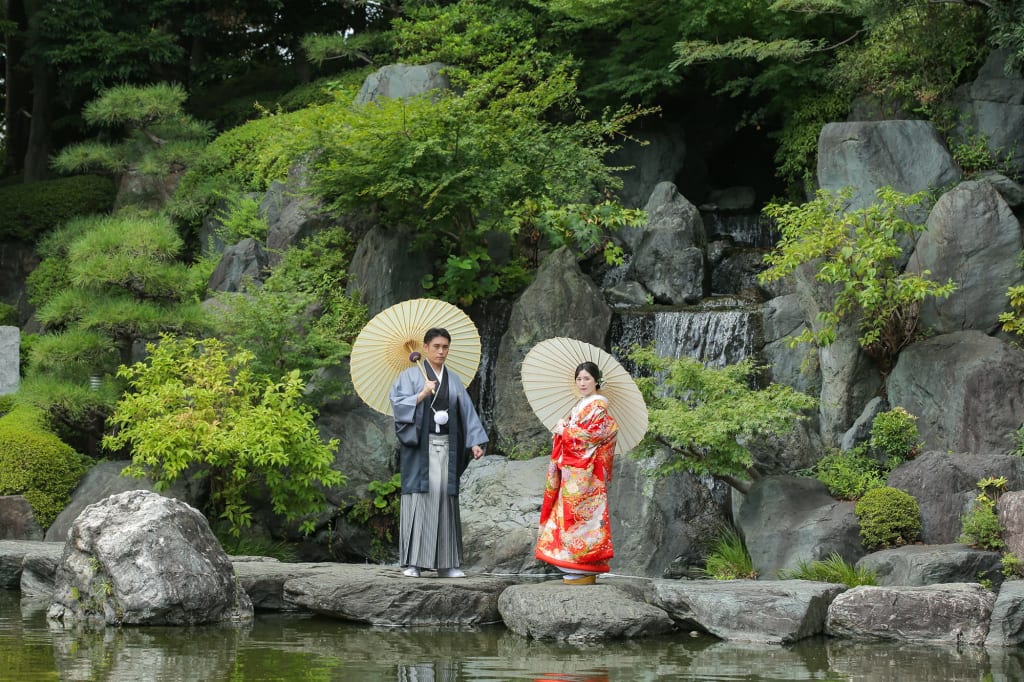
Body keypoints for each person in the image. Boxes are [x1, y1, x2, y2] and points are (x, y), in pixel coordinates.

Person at [389, 327, 488, 578]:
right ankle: (414, 563)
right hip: (421, 449)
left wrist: (474, 442)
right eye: (436, 346)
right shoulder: (410, 377)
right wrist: (422, 394)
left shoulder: (453, 380)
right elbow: (397, 405)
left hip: (447, 446)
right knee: (419, 499)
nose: (441, 351)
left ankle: (446, 564)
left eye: (445, 347)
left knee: (445, 500)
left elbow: (466, 411)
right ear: (425, 348)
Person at [534, 361, 618, 585]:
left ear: (596, 381)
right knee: (567, 518)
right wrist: (564, 427)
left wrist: (567, 431)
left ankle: (583, 566)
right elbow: (577, 433)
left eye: (587, 379)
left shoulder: (598, 407)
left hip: (587, 476)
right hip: (573, 472)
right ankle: (575, 567)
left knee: (583, 520)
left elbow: (593, 436)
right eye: (579, 379)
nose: (582, 383)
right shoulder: (581, 405)